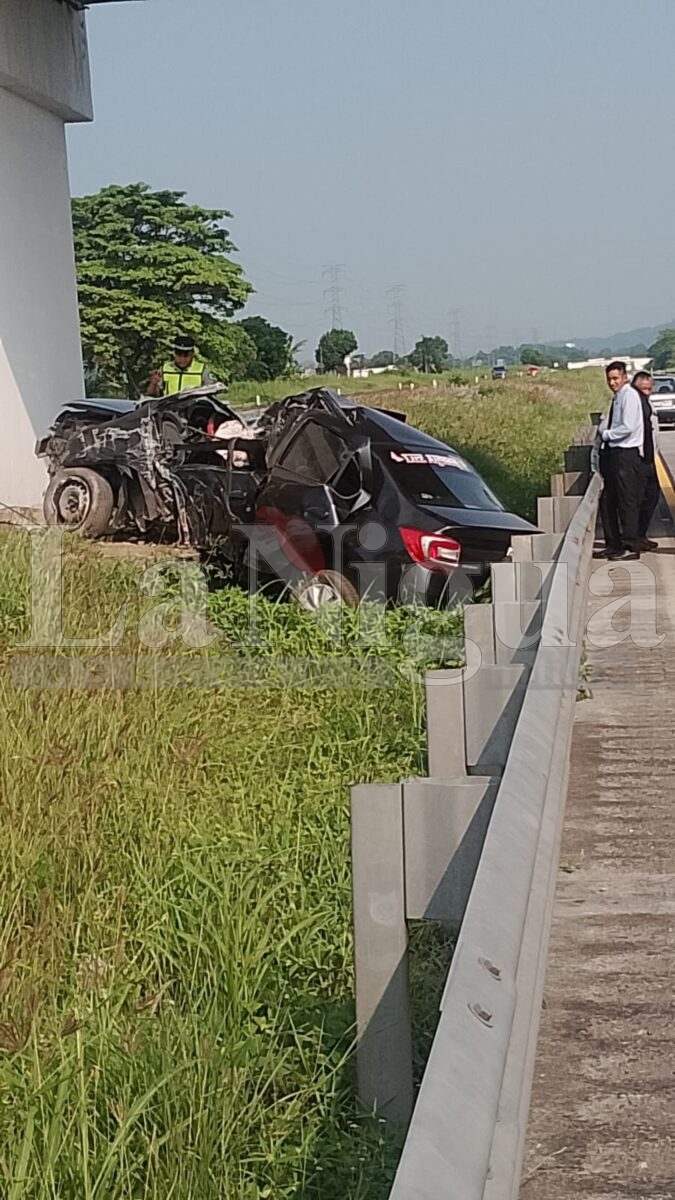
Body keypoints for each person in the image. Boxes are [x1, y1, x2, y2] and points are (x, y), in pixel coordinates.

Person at [597, 361, 644, 560]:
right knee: (608, 501)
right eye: (609, 379)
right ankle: (614, 544)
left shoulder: (630, 396)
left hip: (627, 454)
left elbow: (628, 427)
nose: (612, 382)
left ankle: (630, 546)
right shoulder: (618, 397)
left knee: (627, 502)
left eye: (616, 378)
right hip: (616, 455)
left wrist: (606, 434)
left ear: (624, 377)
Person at [631, 370, 660, 550]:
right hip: (638, 459)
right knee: (640, 499)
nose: (647, 392)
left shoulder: (647, 404)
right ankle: (634, 536)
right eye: (643, 389)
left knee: (651, 496)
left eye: (649, 389)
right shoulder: (632, 404)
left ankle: (640, 534)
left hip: (649, 458)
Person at [147, 336, 212, 397]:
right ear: (174, 354)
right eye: (179, 355)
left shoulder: (203, 370)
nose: (182, 359)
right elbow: (152, 394)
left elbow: (212, 392)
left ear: (192, 355)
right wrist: (154, 383)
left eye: (186, 356)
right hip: (170, 407)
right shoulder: (165, 369)